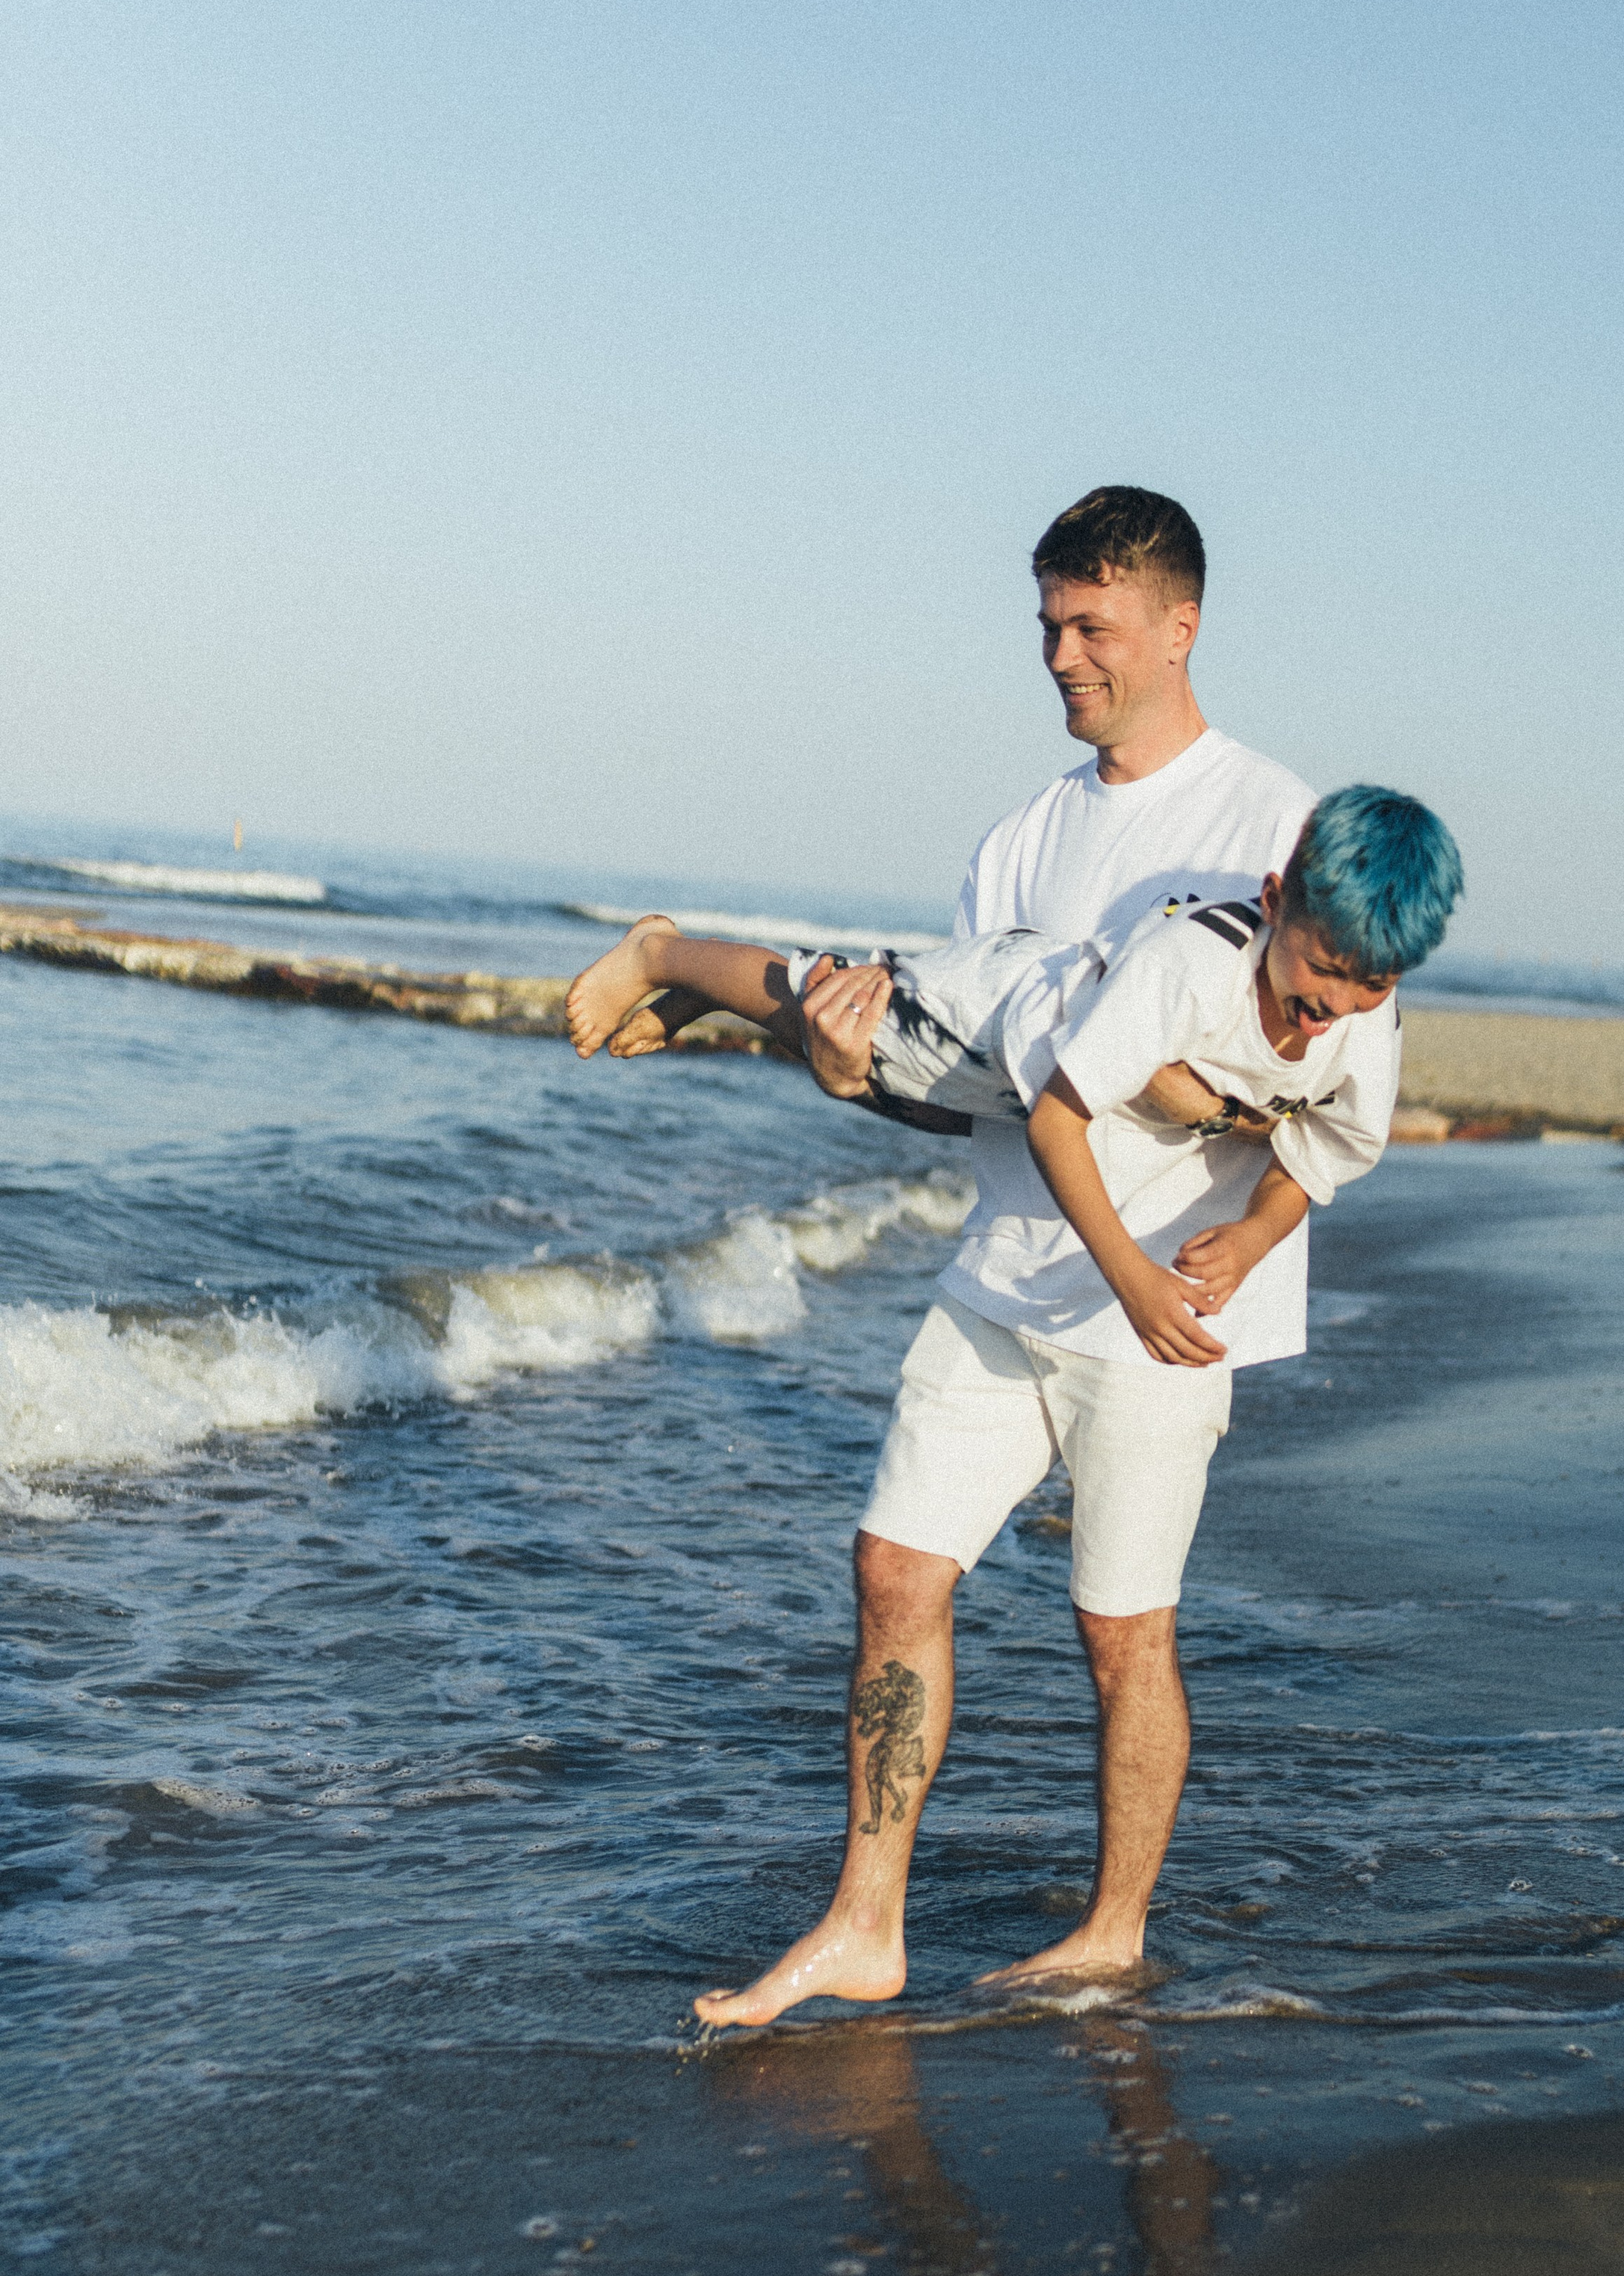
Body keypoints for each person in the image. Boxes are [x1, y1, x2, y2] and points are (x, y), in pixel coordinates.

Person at [590, 485, 1452, 2029]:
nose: (1061, 655)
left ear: (1177, 626)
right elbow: (967, 1101)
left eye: (1091, 626)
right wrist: (841, 1075)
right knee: (892, 1567)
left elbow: (1325, 1072)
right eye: (1047, 624)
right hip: (1009, 1264)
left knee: (1120, 1631)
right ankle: (865, 1922)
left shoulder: (1279, 825)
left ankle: (1112, 1927)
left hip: (1153, 1313)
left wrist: (1216, 1181)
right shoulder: (1019, 844)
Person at [562, 786, 1460, 1368]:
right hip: (1003, 1018)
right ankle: (661, 950)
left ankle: (699, 990)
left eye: (1371, 982)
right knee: (831, 1010)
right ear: (1274, 905)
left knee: (835, 1044)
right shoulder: (1194, 968)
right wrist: (1132, 1279)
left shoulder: (1366, 1024)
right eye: (1322, 966)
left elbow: (1318, 1155)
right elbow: (1056, 1125)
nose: (1335, 1002)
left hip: (1033, 1070)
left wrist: (1256, 1236)